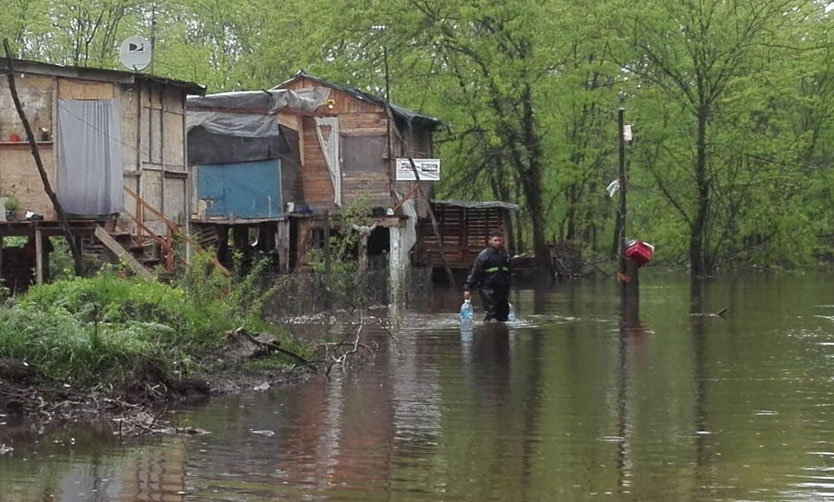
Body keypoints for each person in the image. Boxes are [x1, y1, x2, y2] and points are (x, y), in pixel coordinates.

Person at [464, 229, 512, 322]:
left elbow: (509, 272)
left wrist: (508, 285)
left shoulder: (505, 255)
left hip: (502, 289)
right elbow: (475, 272)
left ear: (503, 241)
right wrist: (468, 288)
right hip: (488, 289)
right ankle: (489, 333)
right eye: (495, 240)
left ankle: (502, 334)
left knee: (503, 314)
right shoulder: (484, 255)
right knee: (491, 313)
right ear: (490, 241)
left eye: (500, 240)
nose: (498, 243)